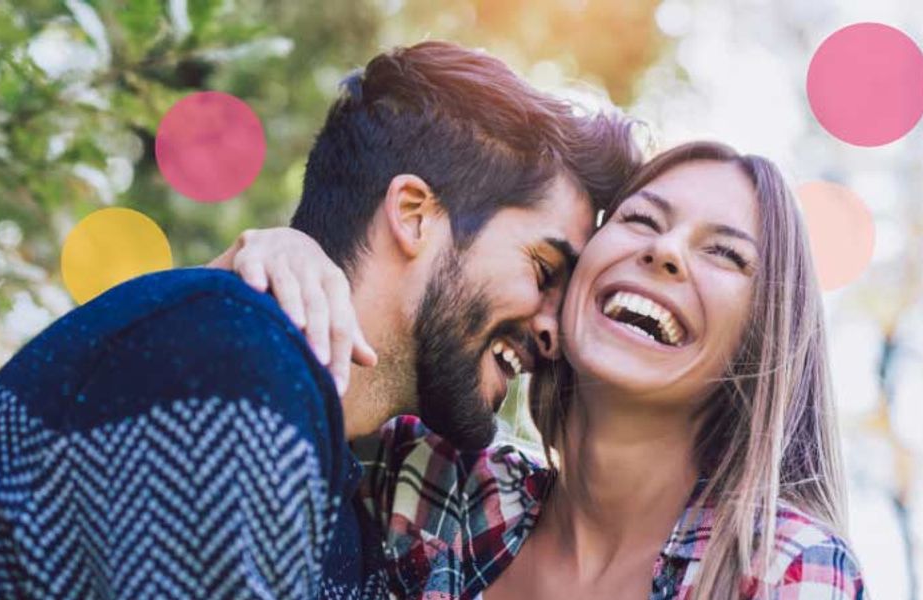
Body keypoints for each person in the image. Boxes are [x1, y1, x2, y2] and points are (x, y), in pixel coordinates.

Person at [0, 41, 639, 598]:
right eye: (543, 270)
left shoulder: (354, 485)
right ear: (413, 213)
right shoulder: (227, 356)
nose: (553, 327)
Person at [218, 141, 865, 599]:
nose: (665, 251)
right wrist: (274, 262)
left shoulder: (784, 570)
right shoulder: (443, 487)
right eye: (641, 220)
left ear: (761, 339)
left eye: (725, 254)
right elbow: (228, 401)